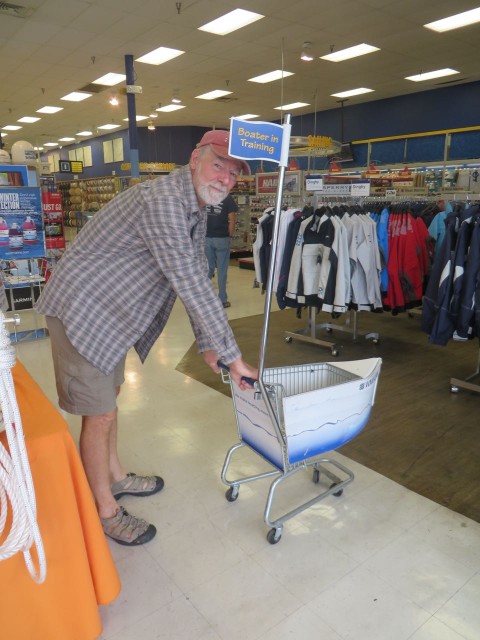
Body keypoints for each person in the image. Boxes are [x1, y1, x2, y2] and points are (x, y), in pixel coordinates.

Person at [35, 130, 258, 547]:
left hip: (111, 315)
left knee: (109, 398)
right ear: (195, 159)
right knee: (97, 412)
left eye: (233, 173)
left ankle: (116, 477)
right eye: (218, 166)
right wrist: (232, 355)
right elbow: (191, 281)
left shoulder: (191, 204)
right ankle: (103, 509)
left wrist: (209, 345)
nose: (225, 179)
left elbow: (192, 271)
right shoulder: (164, 202)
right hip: (82, 310)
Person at [205, 194, 237, 308]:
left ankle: (205, 298)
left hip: (207, 237)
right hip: (222, 238)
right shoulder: (228, 198)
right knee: (222, 270)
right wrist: (230, 236)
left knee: (208, 269)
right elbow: (232, 220)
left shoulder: (206, 196)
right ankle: (222, 299)